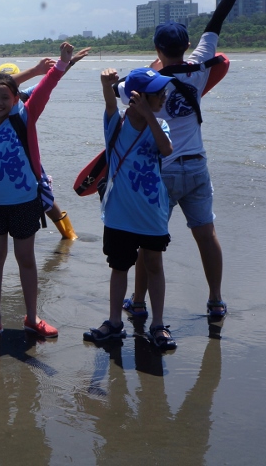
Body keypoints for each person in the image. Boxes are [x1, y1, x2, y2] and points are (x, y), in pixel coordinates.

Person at [125, 0, 260, 321]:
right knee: (206, 235)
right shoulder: (201, 66)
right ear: (186, 46)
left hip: (162, 169)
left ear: (157, 49)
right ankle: (216, 299)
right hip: (196, 166)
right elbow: (218, 20)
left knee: (148, 242)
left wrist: (151, 68)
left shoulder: (145, 80)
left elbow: (123, 93)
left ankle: (137, 304)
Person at [0, 43, 79, 341]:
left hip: (25, 203)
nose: (0, 102)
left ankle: (32, 317)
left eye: (6, 97)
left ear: (16, 98)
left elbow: (44, 89)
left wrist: (61, 65)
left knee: (26, 259)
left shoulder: (24, 119)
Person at [84, 67, 175, 350]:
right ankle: (113, 322)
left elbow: (167, 149)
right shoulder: (116, 125)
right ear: (137, 97)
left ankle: (157, 324)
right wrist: (106, 85)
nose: (164, 96)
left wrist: (150, 116)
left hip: (152, 214)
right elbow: (110, 104)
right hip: (119, 214)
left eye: (163, 91)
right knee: (119, 267)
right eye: (158, 92)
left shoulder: (161, 125)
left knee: (154, 265)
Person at [1, 62, 82, 241]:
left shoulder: (25, 99)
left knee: (45, 197)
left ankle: (69, 236)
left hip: (26, 160)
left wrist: (69, 62)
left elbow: (49, 81)